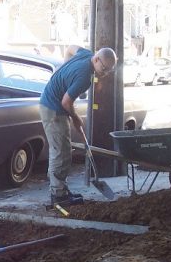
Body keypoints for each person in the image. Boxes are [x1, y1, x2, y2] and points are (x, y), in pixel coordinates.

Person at [39, 45, 117, 206]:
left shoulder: (85, 53)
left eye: (109, 71)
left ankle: (60, 189)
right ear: (96, 59)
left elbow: (69, 48)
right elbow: (66, 102)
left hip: (52, 104)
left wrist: (65, 73)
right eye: (104, 69)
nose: (104, 73)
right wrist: (75, 117)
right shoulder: (84, 78)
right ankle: (58, 196)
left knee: (64, 150)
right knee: (60, 152)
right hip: (53, 109)